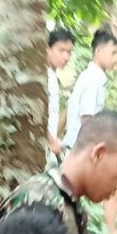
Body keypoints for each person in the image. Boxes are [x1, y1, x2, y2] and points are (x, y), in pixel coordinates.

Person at [62, 29, 117, 234]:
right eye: (113, 53)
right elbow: (87, 117)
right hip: (81, 145)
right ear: (99, 50)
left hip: (74, 144)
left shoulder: (88, 76)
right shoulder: (94, 79)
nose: (115, 59)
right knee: (113, 179)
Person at [46, 27, 75, 163]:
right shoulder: (44, 77)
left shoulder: (52, 77)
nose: (66, 57)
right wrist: (51, 141)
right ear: (48, 49)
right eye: (61, 50)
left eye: (69, 52)